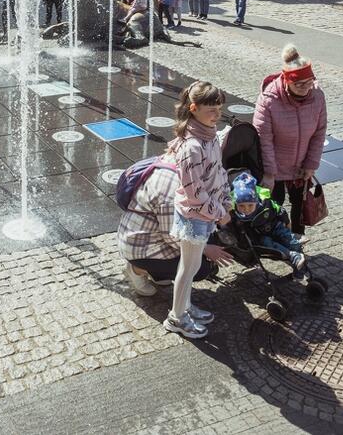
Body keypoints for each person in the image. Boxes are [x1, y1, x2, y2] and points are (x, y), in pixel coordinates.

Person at [163, 81, 231, 339]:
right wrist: (219, 212)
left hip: (205, 214)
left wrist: (225, 199)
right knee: (188, 268)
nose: (216, 114)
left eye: (219, 108)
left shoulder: (210, 135)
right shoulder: (192, 146)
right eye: (211, 109)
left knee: (190, 266)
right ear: (193, 109)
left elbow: (217, 172)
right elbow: (194, 193)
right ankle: (176, 317)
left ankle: (185, 307)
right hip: (195, 217)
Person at [117, 157, 235, 297]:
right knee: (200, 268)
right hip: (140, 246)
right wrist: (205, 249)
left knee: (207, 239)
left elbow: (222, 184)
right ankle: (137, 269)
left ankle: (158, 273)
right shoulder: (173, 191)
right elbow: (173, 236)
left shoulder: (194, 168)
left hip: (153, 234)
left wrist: (224, 209)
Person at [253, 45, 327, 237]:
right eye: (299, 85)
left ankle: (298, 240)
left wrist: (311, 164)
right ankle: (278, 241)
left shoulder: (317, 96)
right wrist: (269, 173)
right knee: (275, 206)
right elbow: (264, 140)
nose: (305, 89)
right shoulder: (269, 99)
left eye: (309, 83)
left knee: (299, 206)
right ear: (286, 80)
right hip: (275, 164)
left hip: (301, 165)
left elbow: (319, 132)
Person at [230, 173, 305, 271]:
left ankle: (297, 256)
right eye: (241, 206)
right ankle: (293, 256)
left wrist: (287, 223)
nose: (246, 209)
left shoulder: (265, 203)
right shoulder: (236, 215)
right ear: (236, 204)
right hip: (261, 236)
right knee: (268, 244)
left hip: (274, 226)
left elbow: (279, 210)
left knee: (286, 236)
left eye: (250, 205)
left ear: (256, 201)